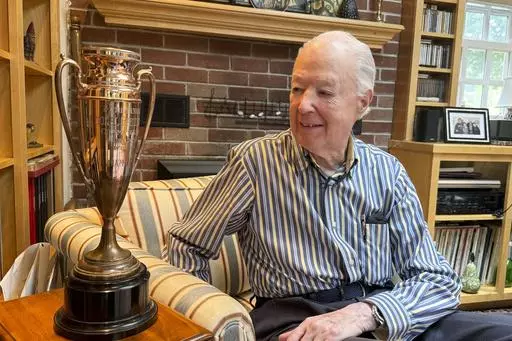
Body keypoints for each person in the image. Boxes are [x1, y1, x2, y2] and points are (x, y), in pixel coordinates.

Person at [167, 31, 512, 341]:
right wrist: (210, 320)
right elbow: (187, 245)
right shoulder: (253, 163)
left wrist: (365, 314)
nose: (303, 105)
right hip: (294, 318)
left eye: (324, 91)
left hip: (378, 313)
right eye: (297, 88)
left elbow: (438, 280)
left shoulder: (387, 172)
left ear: (362, 103)